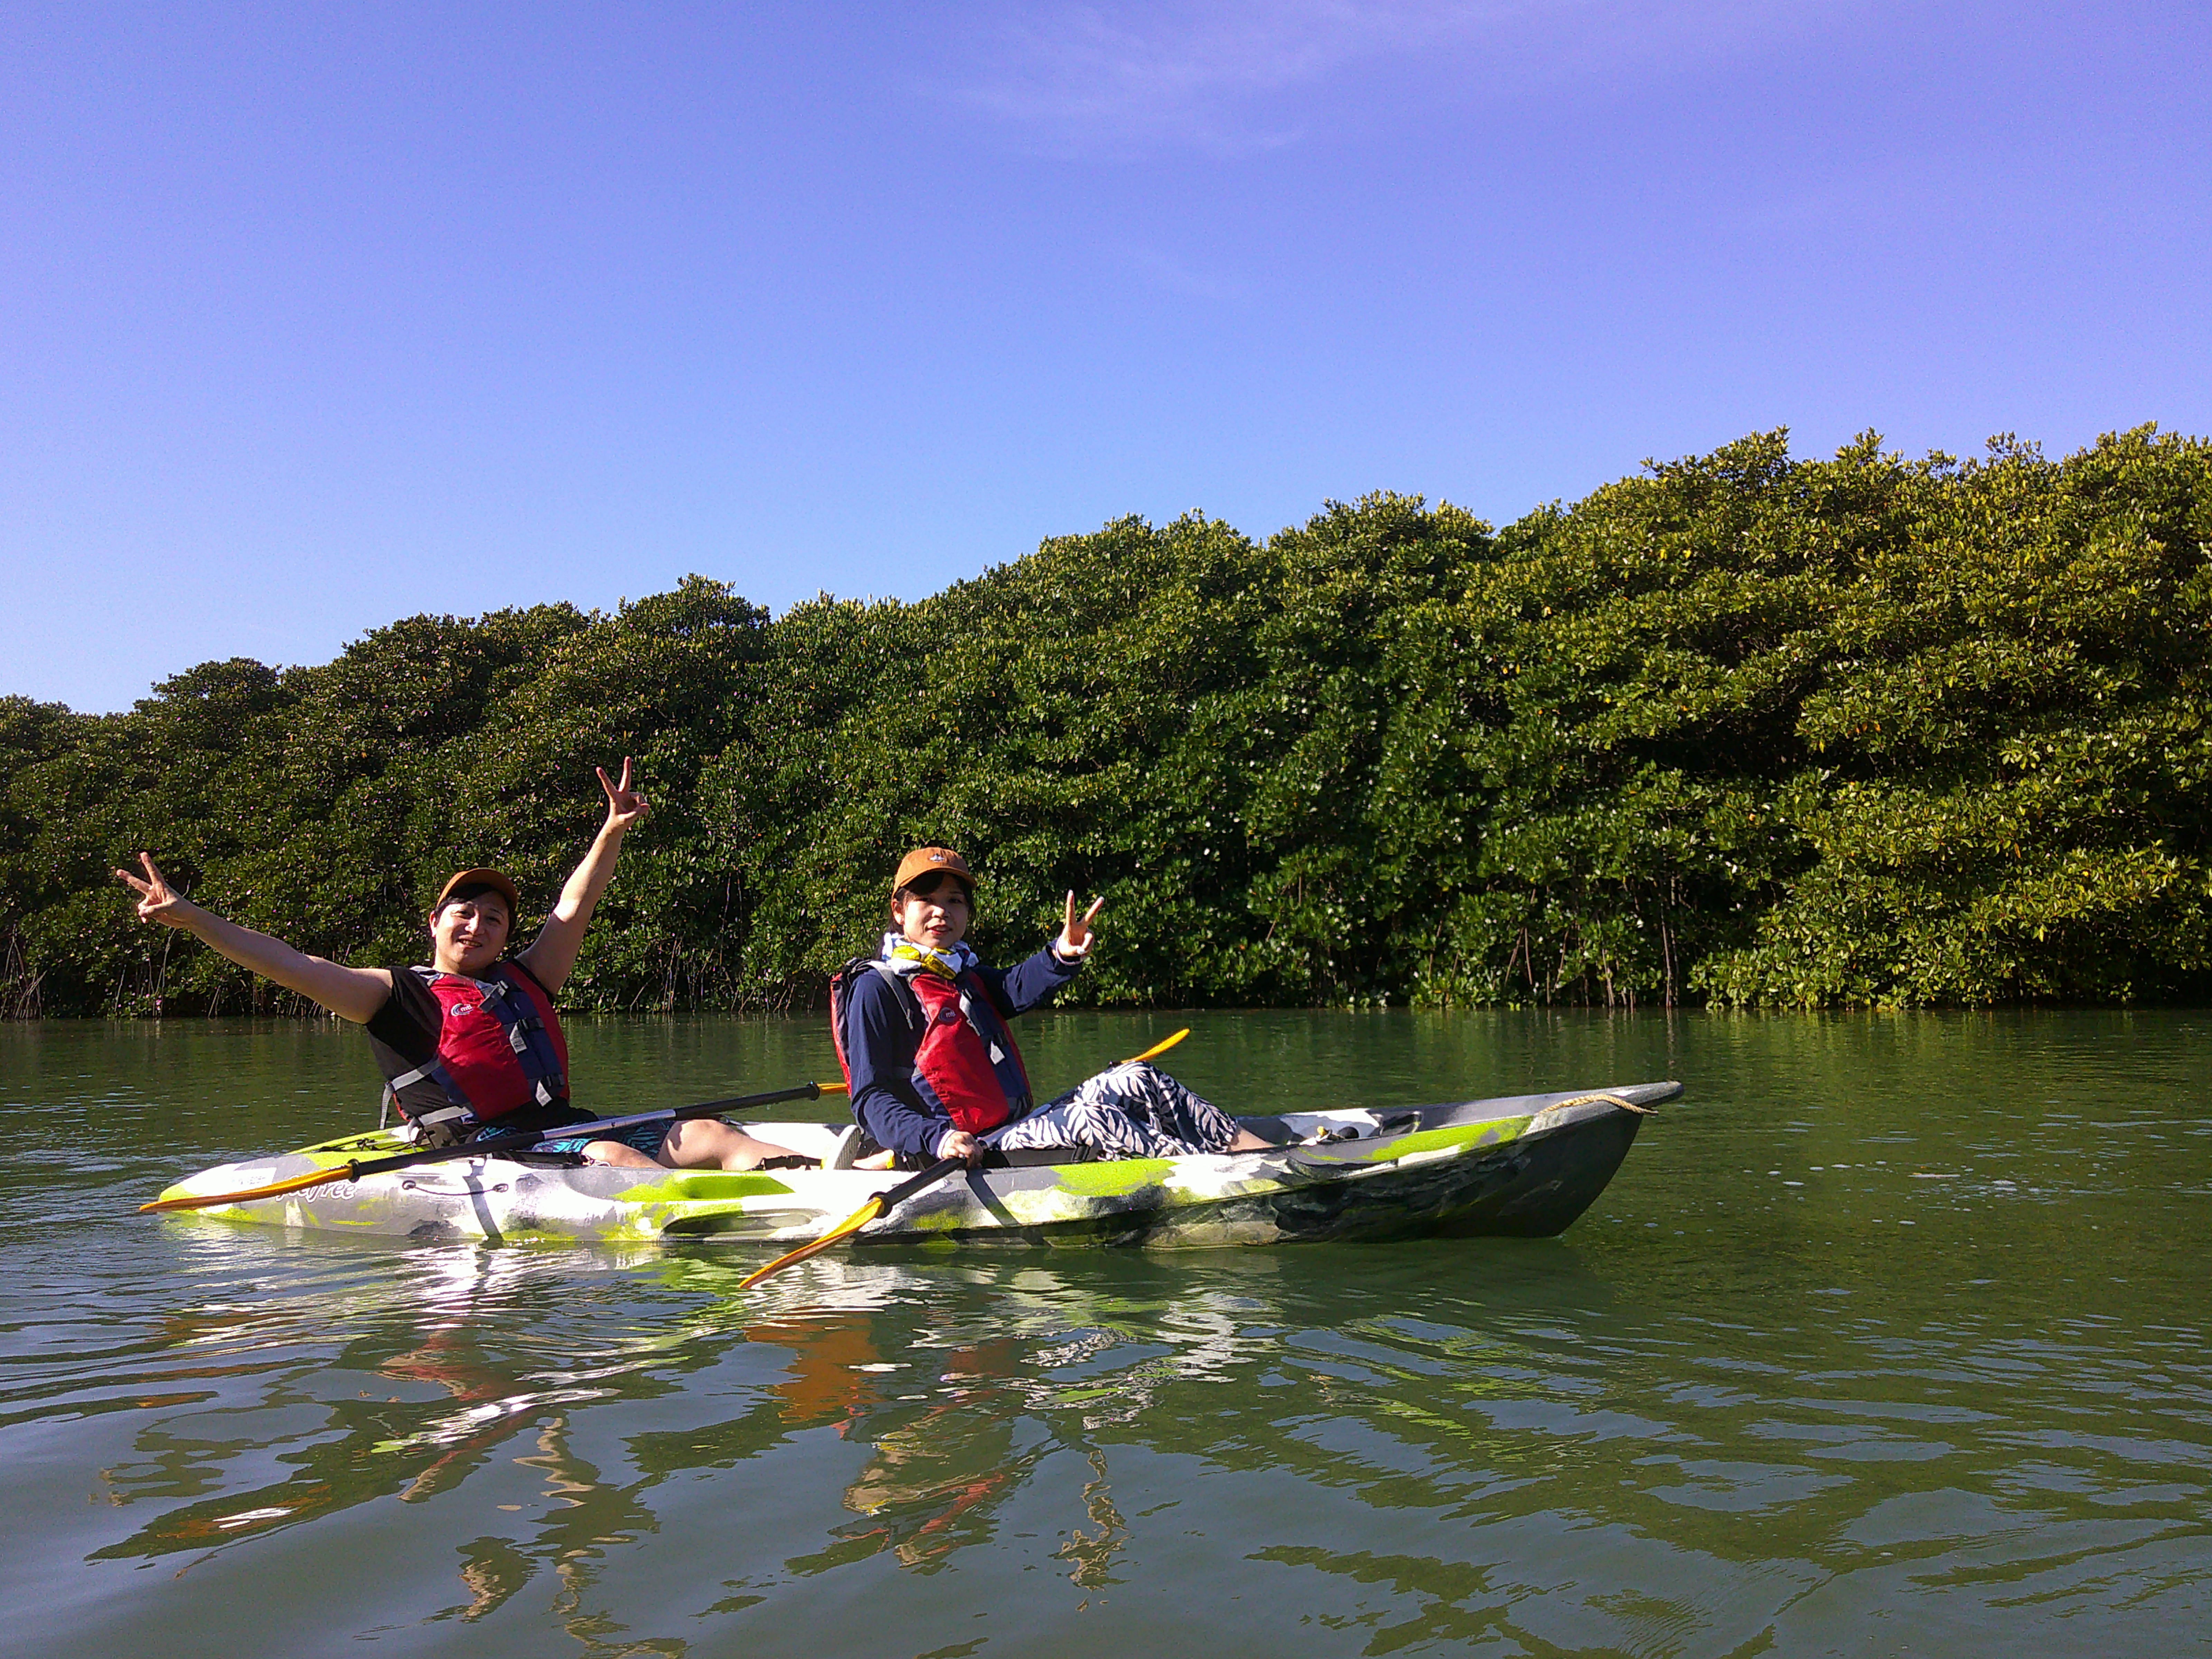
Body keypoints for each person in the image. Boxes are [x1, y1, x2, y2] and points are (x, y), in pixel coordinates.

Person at [114, 759, 800, 1170]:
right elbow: (289, 963)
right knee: (614, 1157)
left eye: (494, 918)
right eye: (463, 913)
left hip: (562, 1126)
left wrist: (611, 831)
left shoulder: (526, 977)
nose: (477, 925)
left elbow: (576, 902)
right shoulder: (394, 996)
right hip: (481, 1145)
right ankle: (721, 1223)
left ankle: (818, 1185)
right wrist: (193, 918)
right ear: (435, 923)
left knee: (708, 1133)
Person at [835, 846, 1272, 1166]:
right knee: (1095, 1121)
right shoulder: (878, 988)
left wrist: (1061, 954)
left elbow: (1014, 987)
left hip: (1007, 1132)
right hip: (950, 1150)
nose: (941, 913)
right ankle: (1217, 1177)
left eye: (954, 901)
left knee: (1137, 1077)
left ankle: (1263, 1156)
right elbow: (871, 1098)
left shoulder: (960, 973)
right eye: (926, 900)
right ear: (899, 911)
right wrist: (937, 1138)